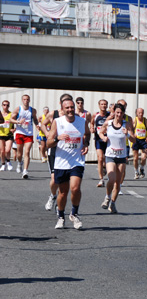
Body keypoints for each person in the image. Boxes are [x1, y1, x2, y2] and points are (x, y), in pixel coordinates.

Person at [46, 97, 90, 229]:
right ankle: (60, 216)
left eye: (72, 107)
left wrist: (86, 144)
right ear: (63, 109)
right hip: (61, 162)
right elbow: (48, 143)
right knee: (63, 192)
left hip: (77, 161)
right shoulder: (57, 122)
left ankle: (74, 214)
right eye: (67, 108)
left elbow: (87, 134)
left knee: (75, 188)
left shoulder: (82, 121)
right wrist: (57, 138)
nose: (70, 110)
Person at [99, 103, 136, 213]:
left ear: (124, 113)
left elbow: (134, 140)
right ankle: (107, 197)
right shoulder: (108, 123)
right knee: (111, 178)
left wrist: (128, 135)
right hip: (110, 155)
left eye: (121, 113)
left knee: (118, 182)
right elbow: (100, 132)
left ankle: (113, 203)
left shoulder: (127, 125)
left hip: (121, 156)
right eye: (117, 112)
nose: (119, 115)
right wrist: (103, 137)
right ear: (114, 112)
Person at [42, 93, 74, 212]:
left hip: (67, 150)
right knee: (54, 179)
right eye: (65, 103)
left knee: (66, 180)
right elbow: (43, 124)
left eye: (70, 104)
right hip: (54, 148)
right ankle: (53, 196)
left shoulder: (73, 116)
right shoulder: (53, 114)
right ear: (61, 104)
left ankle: (60, 202)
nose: (69, 107)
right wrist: (48, 134)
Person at [9, 94, 38, 179]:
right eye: (24, 99)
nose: (26, 101)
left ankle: (25, 171)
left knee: (27, 152)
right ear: (22, 100)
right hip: (19, 132)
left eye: (27, 99)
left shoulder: (32, 110)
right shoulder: (18, 109)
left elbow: (35, 119)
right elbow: (11, 119)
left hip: (29, 133)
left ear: (29, 100)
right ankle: (19, 163)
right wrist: (18, 122)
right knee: (19, 153)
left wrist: (37, 125)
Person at [131, 107, 147, 179]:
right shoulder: (134, 120)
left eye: (142, 113)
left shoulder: (146, 121)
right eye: (139, 113)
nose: (141, 114)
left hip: (143, 140)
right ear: (136, 113)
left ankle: (142, 168)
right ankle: (136, 172)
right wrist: (132, 134)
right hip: (136, 140)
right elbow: (130, 128)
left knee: (144, 157)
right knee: (135, 158)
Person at [93, 99, 109, 187]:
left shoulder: (110, 115)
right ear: (99, 105)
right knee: (99, 158)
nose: (103, 106)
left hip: (108, 140)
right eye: (102, 104)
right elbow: (92, 124)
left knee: (106, 159)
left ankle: (105, 167)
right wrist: (92, 128)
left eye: (105, 104)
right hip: (99, 140)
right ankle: (101, 179)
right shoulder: (95, 115)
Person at [0, 100, 14, 171]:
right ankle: (3, 164)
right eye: (4, 105)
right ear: (2, 106)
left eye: (7, 105)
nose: (6, 106)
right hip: (1, 134)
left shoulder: (11, 114)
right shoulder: (0, 114)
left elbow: (16, 123)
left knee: (7, 150)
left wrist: (14, 129)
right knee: (2, 151)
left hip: (9, 134)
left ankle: (8, 162)